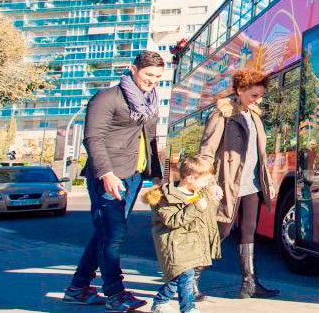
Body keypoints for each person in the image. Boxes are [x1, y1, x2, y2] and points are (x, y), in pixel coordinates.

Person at [63, 51, 165, 312]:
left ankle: (78, 288)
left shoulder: (150, 101)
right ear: (133, 70)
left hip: (133, 174)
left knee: (105, 233)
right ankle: (115, 293)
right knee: (114, 234)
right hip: (109, 175)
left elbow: (151, 139)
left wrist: (156, 175)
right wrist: (106, 173)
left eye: (157, 77)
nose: (152, 81)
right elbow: (92, 138)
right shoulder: (107, 97)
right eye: (148, 75)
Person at [198, 67, 279, 299]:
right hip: (227, 184)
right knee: (220, 231)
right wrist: (211, 182)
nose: (258, 99)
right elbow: (206, 152)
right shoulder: (222, 114)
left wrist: (268, 181)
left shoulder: (254, 117)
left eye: (261, 95)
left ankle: (249, 284)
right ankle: (190, 279)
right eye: (254, 95)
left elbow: (258, 154)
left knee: (249, 232)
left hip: (251, 185)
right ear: (240, 90)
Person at [144, 155, 222, 313]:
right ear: (190, 178)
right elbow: (172, 221)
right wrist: (195, 208)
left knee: (178, 277)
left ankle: (160, 302)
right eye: (205, 181)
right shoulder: (167, 198)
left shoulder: (199, 192)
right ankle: (188, 308)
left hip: (194, 245)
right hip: (176, 246)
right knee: (185, 276)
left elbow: (207, 219)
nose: (207, 184)